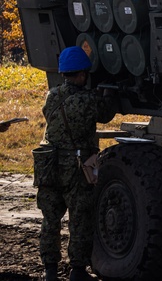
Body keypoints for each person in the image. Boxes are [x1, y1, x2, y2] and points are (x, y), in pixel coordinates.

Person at [37, 46, 117, 281]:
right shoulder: (88, 100)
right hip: (76, 165)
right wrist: (109, 89)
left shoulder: (52, 96)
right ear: (82, 74)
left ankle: (50, 269)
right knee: (79, 218)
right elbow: (107, 113)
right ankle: (78, 271)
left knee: (50, 219)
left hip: (50, 164)